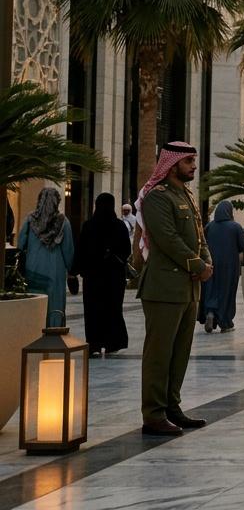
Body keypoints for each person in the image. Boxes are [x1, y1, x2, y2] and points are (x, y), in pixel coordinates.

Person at [136, 142, 213, 437]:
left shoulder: (186, 195)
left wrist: (207, 261)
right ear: (172, 164)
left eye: (193, 160)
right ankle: (154, 414)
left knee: (179, 353)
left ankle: (172, 407)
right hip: (164, 287)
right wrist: (197, 265)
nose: (193, 166)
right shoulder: (158, 197)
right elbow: (167, 239)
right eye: (188, 161)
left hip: (187, 288)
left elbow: (199, 235)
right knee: (159, 354)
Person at [74, 192, 130, 355]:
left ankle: (95, 344)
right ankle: (113, 343)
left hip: (93, 276)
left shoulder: (89, 226)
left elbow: (80, 250)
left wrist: (75, 271)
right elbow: (126, 250)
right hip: (114, 276)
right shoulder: (119, 226)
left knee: (93, 310)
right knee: (113, 309)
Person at [19, 187, 75, 327]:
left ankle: (34, 328)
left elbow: (20, 244)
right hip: (55, 271)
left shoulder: (30, 220)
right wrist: (72, 270)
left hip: (33, 269)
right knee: (54, 304)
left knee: (35, 302)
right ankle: (53, 330)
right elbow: (68, 250)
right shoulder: (63, 222)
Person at [199, 200, 244, 334]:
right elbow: (243, 246)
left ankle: (210, 312)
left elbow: (202, 243)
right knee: (227, 291)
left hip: (211, 263)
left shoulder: (209, 226)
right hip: (229, 266)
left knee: (211, 288)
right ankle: (225, 323)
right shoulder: (235, 227)